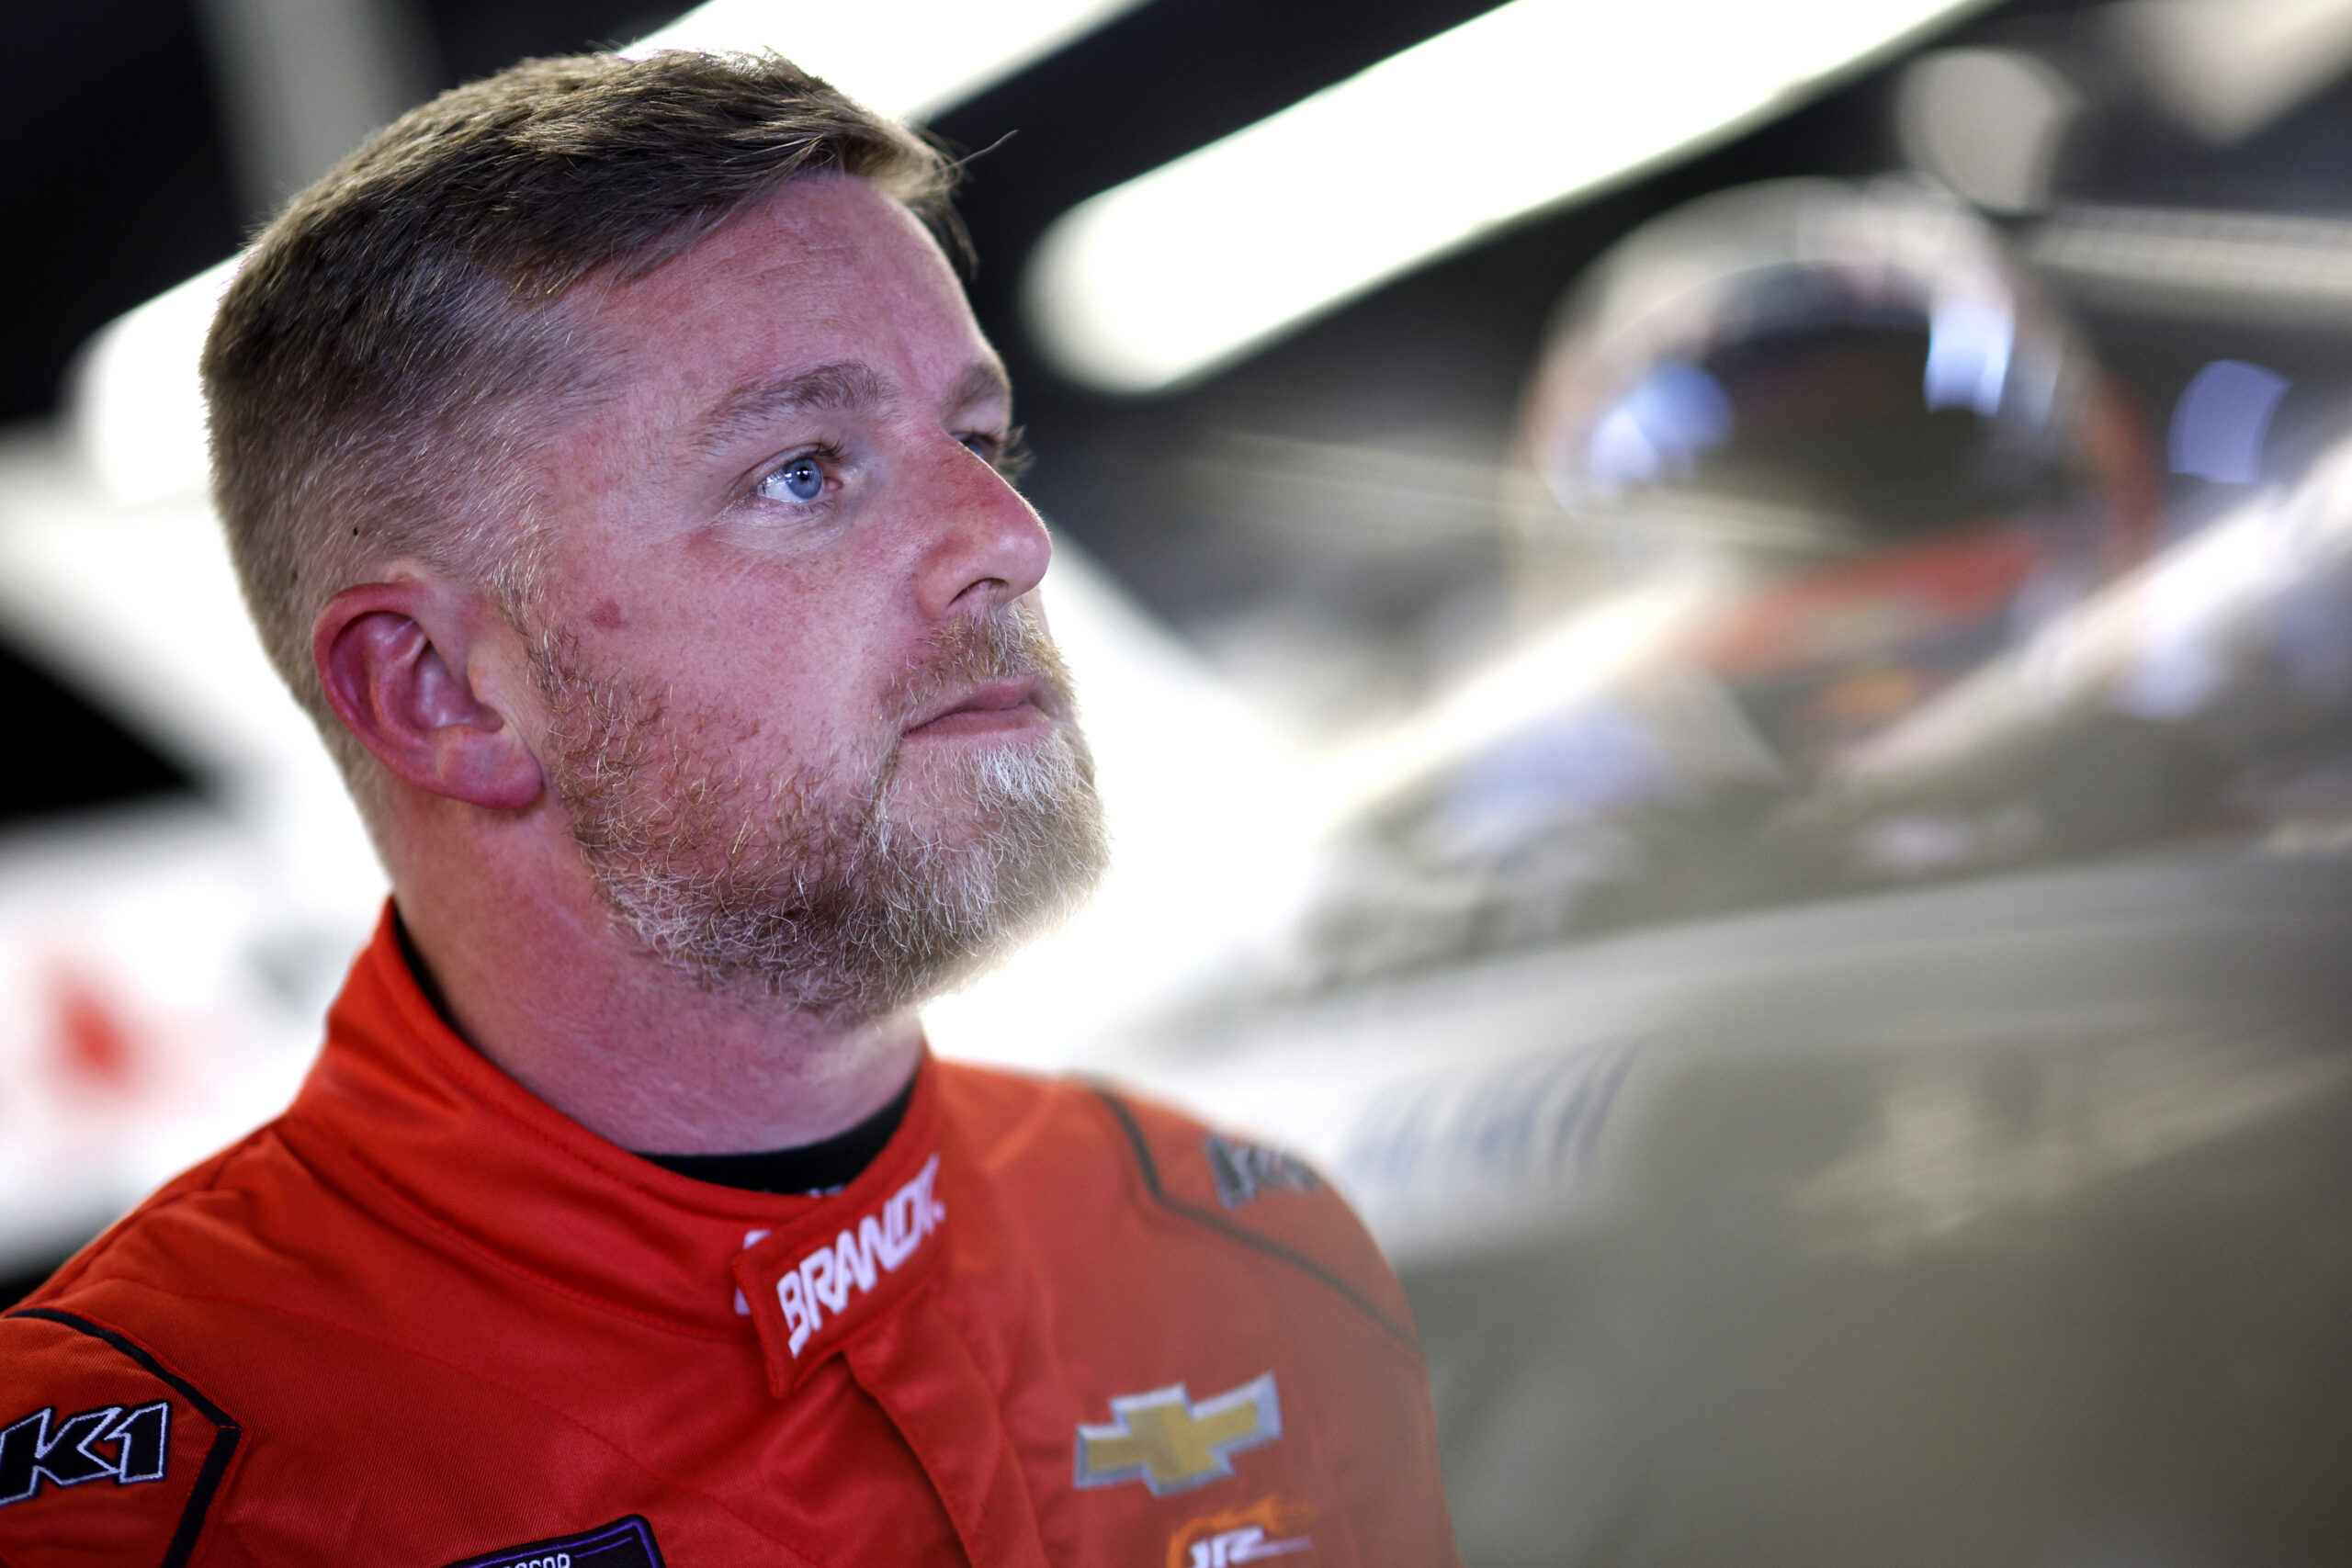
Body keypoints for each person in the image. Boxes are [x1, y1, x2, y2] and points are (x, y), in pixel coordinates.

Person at [0, 51, 1457, 1568]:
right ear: (439, 692)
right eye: (804, 472)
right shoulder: (150, 1502)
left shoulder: (1248, 1258)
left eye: (978, 439)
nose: (1011, 541)